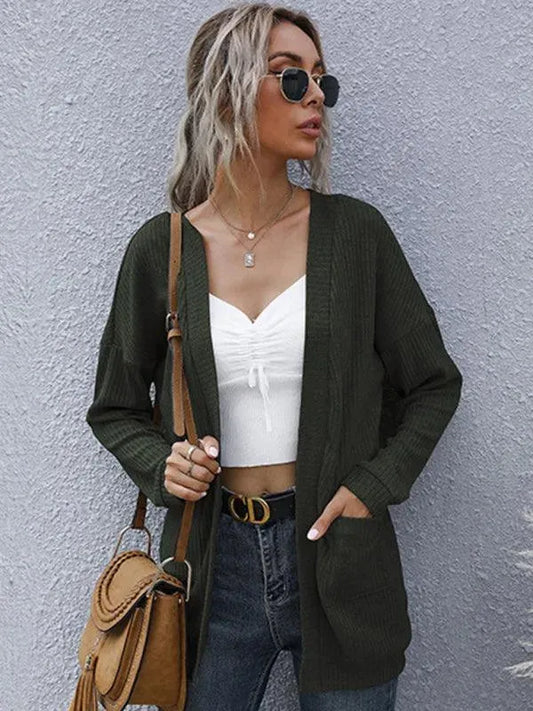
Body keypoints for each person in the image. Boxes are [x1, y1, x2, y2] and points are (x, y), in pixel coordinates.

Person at [85, 3, 463, 710]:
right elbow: (114, 408)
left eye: (321, 80)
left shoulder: (356, 235)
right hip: (212, 567)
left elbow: (433, 384)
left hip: (341, 558)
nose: (315, 95)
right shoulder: (162, 250)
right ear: (228, 91)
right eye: (291, 78)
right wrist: (163, 465)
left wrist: (372, 486)